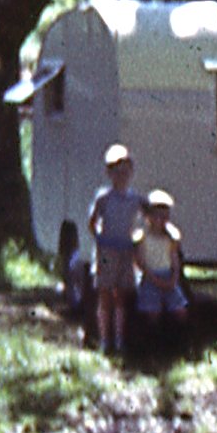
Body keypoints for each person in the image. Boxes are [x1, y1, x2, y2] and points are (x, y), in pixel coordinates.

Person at [87, 143, 145, 355]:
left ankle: (119, 339)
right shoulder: (103, 197)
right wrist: (100, 240)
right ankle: (104, 339)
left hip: (125, 251)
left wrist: (137, 240)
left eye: (125, 170)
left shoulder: (135, 199)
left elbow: (149, 217)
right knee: (104, 295)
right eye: (116, 171)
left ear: (131, 172)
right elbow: (92, 222)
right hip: (106, 252)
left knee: (121, 296)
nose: (121, 175)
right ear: (109, 173)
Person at [134, 189, 189, 343]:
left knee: (180, 310)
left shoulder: (171, 238)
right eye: (156, 215)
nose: (160, 219)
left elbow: (174, 259)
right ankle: (154, 342)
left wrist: (174, 278)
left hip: (168, 275)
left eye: (164, 215)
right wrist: (153, 278)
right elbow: (139, 262)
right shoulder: (142, 237)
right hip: (150, 277)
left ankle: (179, 340)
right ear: (148, 216)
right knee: (153, 312)